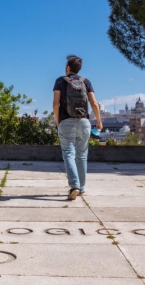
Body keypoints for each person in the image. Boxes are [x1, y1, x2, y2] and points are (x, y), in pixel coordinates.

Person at [52, 55, 102, 200]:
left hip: (66, 121)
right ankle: (82, 188)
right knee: (82, 156)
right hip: (84, 122)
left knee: (68, 153)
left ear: (68, 67)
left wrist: (58, 121)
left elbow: (55, 103)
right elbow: (94, 103)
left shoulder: (60, 81)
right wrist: (99, 120)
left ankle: (74, 186)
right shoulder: (86, 81)